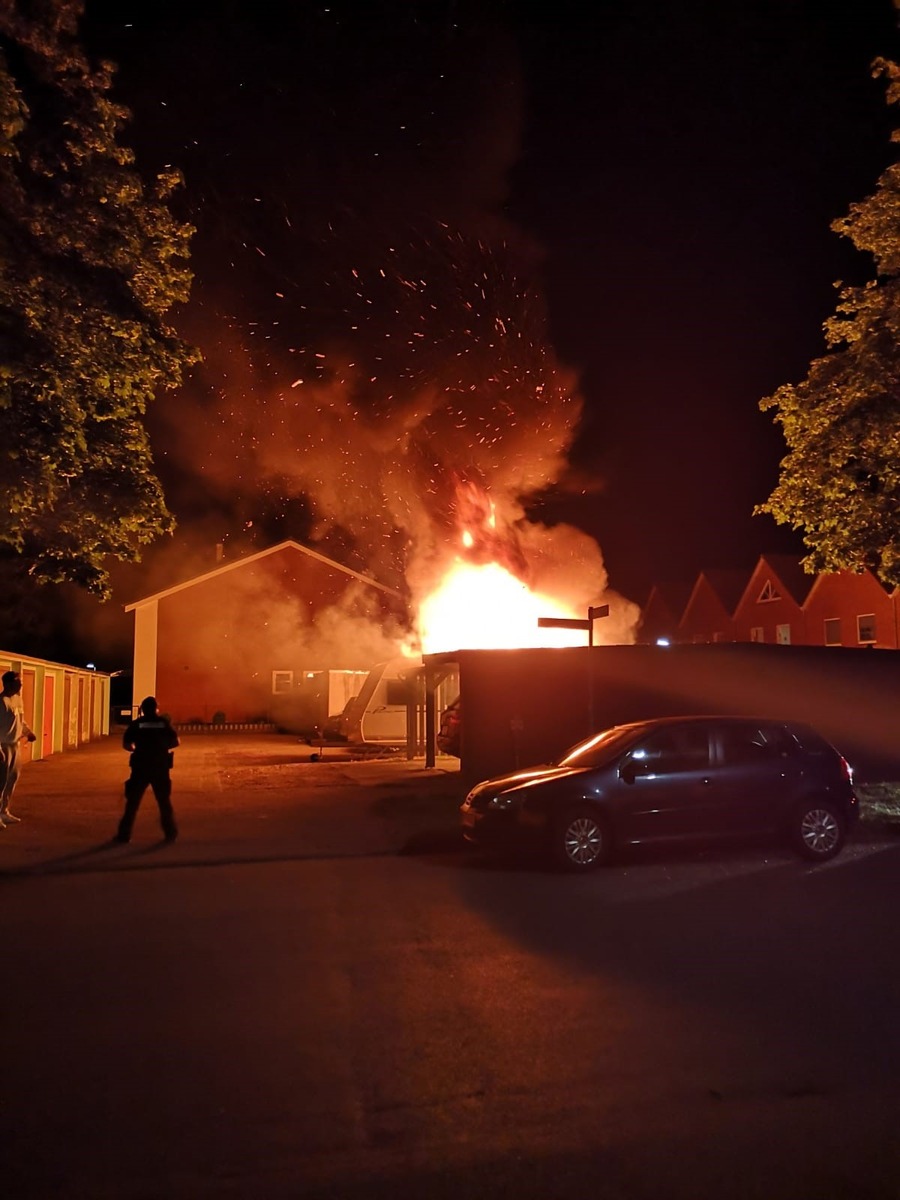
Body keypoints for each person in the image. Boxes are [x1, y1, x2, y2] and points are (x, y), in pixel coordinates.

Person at [117, 696, 179, 844]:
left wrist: (137, 749)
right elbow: (175, 742)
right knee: (164, 802)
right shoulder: (163, 723)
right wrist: (161, 748)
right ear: (156, 709)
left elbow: (127, 744)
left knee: (132, 803)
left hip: (140, 767)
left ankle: (124, 835)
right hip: (160, 767)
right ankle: (170, 834)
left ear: (143, 709)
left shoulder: (137, 724)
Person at [0, 669, 37, 827]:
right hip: (3, 746)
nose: (21, 684)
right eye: (18, 681)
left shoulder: (18, 700)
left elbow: (21, 721)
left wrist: (28, 733)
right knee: (0, 782)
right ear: (8, 684)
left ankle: (4, 811)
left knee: (11, 780)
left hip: (15, 745)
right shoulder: (1, 702)